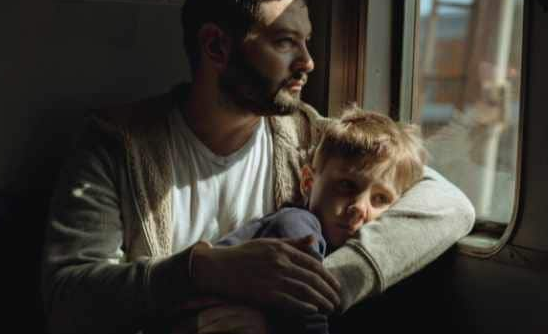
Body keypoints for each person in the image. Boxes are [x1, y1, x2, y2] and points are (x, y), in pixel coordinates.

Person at [41, 0, 476, 334]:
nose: (307, 62)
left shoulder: (311, 138)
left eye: (306, 41)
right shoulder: (118, 145)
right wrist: (202, 271)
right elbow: (66, 299)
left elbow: (450, 205)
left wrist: (314, 290)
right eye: (285, 41)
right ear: (216, 47)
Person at [174, 105, 429, 334]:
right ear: (308, 182)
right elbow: (306, 303)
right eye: (346, 186)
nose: (360, 207)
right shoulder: (298, 225)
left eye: (381, 199)